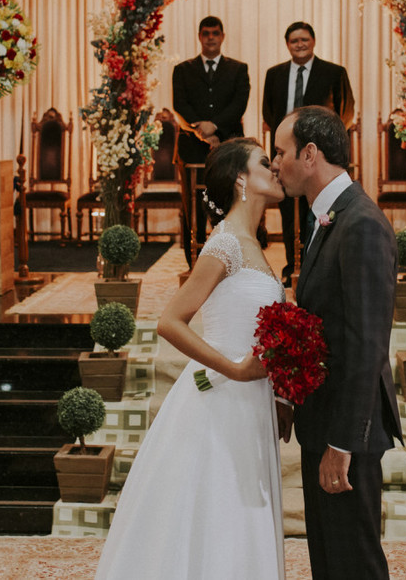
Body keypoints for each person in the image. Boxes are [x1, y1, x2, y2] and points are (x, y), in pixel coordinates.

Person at [95, 137, 287, 580]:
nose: (275, 167)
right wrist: (236, 369)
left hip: (252, 400)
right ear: (240, 179)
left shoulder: (253, 243)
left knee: (237, 513)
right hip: (221, 397)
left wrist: (279, 395)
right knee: (218, 506)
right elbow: (170, 322)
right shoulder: (225, 244)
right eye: (265, 162)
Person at [270, 105, 401, 580]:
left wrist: (343, 443)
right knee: (329, 563)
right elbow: (320, 326)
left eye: (280, 152)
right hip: (323, 420)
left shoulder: (360, 222)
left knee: (355, 565)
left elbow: (368, 345)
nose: (275, 164)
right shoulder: (328, 216)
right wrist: (290, 395)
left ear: (309, 154)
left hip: (348, 433)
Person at [262, 21, 355, 287]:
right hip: (286, 157)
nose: (300, 44)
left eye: (304, 39)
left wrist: (326, 143)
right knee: (288, 210)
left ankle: (316, 266)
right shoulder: (274, 74)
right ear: (287, 44)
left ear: (313, 41)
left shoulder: (334, 73)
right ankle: (291, 265)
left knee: (318, 209)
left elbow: (346, 112)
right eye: (294, 40)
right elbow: (269, 112)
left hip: (319, 158)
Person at [172, 16, 251, 265]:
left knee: (228, 206)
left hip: (228, 149)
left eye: (215, 33)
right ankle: (194, 264)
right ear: (199, 37)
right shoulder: (182, 70)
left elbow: (239, 104)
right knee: (193, 211)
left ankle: (229, 262)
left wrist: (215, 126)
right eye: (206, 33)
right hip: (192, 149)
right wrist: (201, 129)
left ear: (223, 36)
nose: (210, 38)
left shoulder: (238, 69)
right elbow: (180, 104)